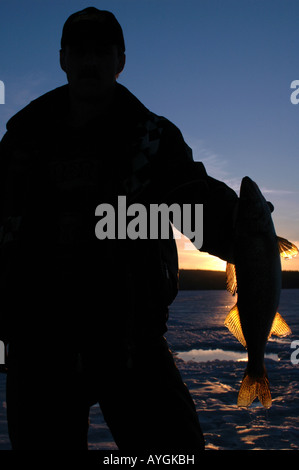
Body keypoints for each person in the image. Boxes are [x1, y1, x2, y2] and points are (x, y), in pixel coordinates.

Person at [0, 7, 238, 451]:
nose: (90, 61)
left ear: (120, 60)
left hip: (129, 337)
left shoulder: (152, 137)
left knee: (172, 454)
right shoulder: (21, 141)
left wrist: (244, 229)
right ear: (63, 59)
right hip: (39, 343)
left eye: (102, 52)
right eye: (80, 51)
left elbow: (195, 202)